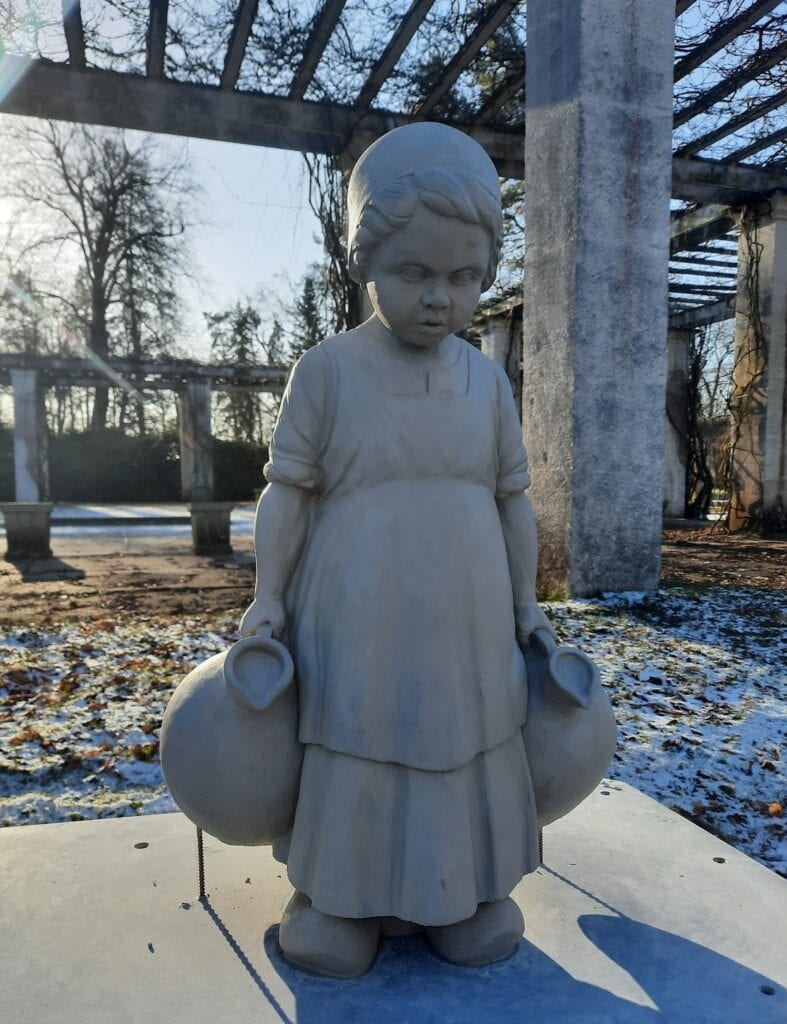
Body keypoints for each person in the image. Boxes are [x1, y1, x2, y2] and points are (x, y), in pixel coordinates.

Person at [239, 122, 555, 978]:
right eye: (412, 273)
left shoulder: (487, 380)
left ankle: (468, 890)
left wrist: (528, 605)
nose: (437, 298)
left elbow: (511, 500)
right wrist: (269, 592)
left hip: (470, 616)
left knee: (465, 736)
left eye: (461, 277)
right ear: (365, 264)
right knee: (360, 738)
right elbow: (289, 490)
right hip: (356, 612)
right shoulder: (328, 370)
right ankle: (340, 901)